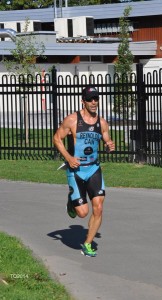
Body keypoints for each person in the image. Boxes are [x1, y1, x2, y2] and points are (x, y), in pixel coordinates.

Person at [53, 86, 115, 257]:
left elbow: (107, 140)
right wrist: (68, 158)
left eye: (96, 98)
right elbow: (57, 138)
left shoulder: (101, 122)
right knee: (82, 213)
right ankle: (71, 202)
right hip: (76, 170)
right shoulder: (72, 120)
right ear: (83, 101)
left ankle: (87, 244)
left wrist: (109, 146)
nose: (94, 102)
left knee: (99, 208)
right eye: (90, 99)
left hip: (94, 168)